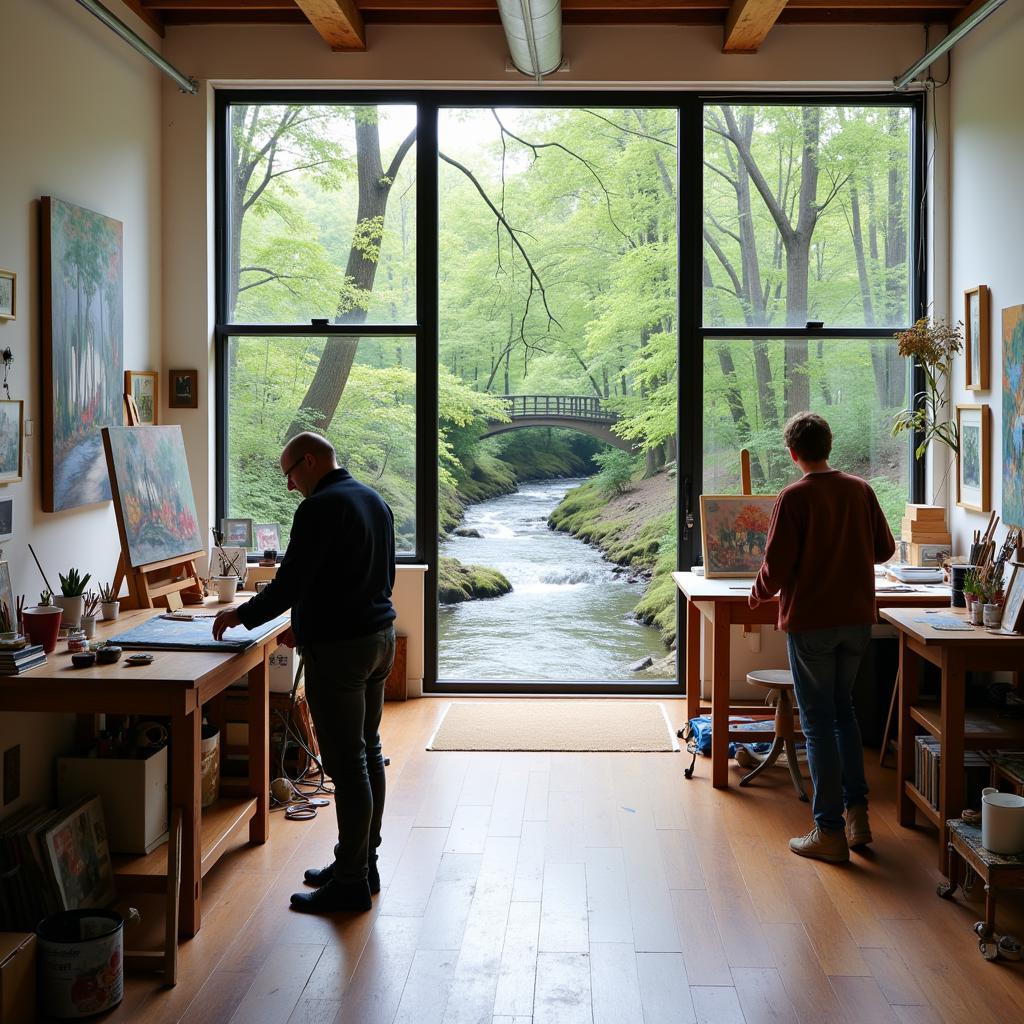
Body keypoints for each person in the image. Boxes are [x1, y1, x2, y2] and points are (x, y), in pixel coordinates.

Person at [213, 431, 396, 912]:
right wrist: (306, 622)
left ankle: (351, 884)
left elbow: (291, 581)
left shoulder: (319, 508)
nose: (291, 486)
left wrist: (240, 616)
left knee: (348, 763)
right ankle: (361, 863)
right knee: (368, 751)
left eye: (290, 474)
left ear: (309, 461)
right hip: (379, 640)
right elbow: (371, 578)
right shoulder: (373, 500)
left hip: (341, 652)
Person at [749, 412, 895, 864]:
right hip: (855, 620)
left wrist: (757, 594)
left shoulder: (794, 497)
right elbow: (885, 550)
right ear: (829, 445)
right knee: (843, 714)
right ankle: (857, 816)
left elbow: (777, 565)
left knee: (815, 723)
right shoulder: (860, 489)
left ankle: (828, 831)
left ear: (794, 454)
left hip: (812, 622)